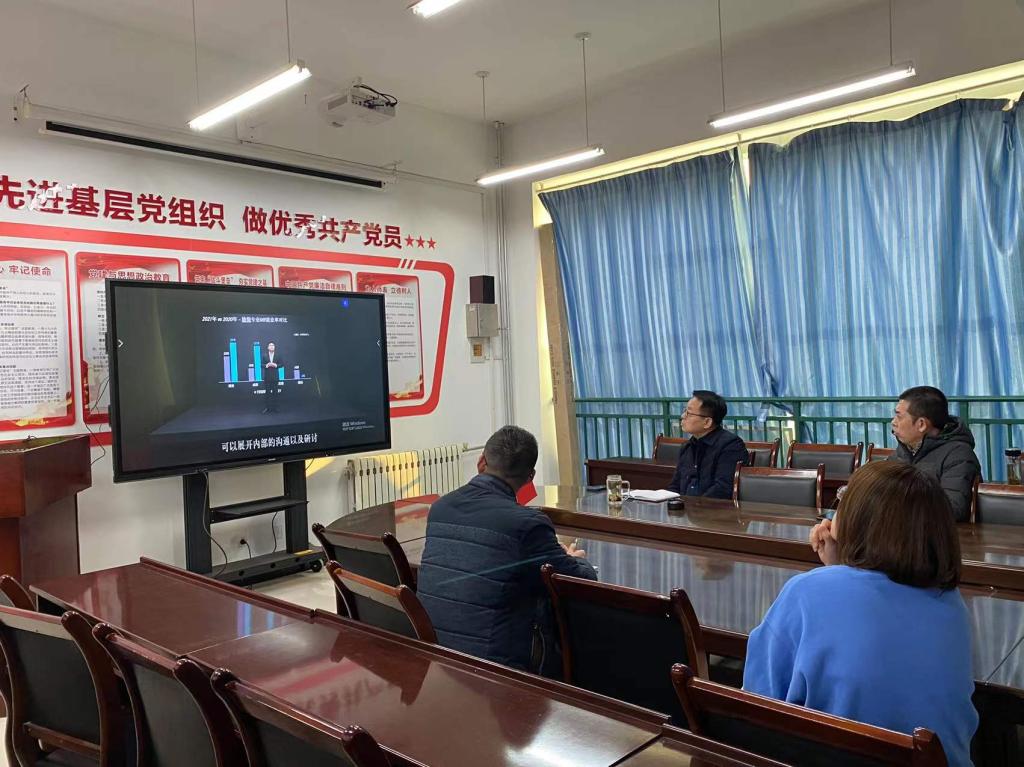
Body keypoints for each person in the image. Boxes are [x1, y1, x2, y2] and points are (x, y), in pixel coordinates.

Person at [743, 461, 978, 766]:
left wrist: (836, 571)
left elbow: (757, 703)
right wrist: (841, 567)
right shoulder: (952, 603)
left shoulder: (807, 592)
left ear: (860, 519)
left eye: (843, 501)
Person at [416, 426, 597, 674]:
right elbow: (578, 581)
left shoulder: (440, 507)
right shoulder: (527, 525)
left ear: (481, 462)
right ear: (530, 477)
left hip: (434, 657)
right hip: (494, 670)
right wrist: (575, 559)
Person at [889, 386, 980, 522]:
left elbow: (953, 508)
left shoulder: (959, 455)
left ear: (921, 424)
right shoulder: (902, 452)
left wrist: (894, 506)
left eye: (899, 416)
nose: (893, 422)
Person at [666, 390, 750, 498]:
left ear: (707, 422)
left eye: (689, 413)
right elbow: (675, 486)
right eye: (684, 411)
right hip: (686, 506)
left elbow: (723, 489)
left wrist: (694, 505)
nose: (682, 416)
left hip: (712, 507)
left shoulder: (730, 446)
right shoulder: (687, 447)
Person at [262, 341, 283, 413]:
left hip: (275, 377)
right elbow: (261, 364)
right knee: (267, 393)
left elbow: (282, 364)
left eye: (273, 345)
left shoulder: (278, 355)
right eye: (270, 345)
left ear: (274, 347)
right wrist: (266, 365)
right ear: (268, 347)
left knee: (275, 393)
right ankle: (267, 408)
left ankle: (275, 408)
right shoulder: (264, 355)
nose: (272, 346)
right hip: (267, 377)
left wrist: (276, 365)